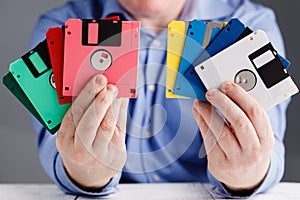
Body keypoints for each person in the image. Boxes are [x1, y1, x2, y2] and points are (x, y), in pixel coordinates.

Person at [30, 0, 290, 197]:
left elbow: (269, 145)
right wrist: (84, 173)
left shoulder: (250, 22)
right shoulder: (63, 25)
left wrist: (248, 174)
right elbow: (54, 141)